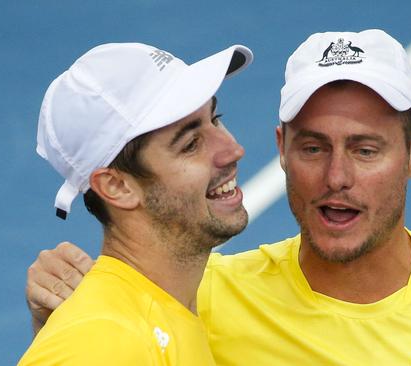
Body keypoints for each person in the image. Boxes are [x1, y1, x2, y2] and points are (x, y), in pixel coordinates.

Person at [25, 30, 411, 365]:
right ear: (284, 149)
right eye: (314, 148)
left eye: (365, 150)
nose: (337, 177)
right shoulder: (196, 301)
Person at [19, 41, 252, 365]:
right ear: (117, 187)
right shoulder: (102, 343)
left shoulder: (174, 309)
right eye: (190, 144)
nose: (233, 149)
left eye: (214, 119)